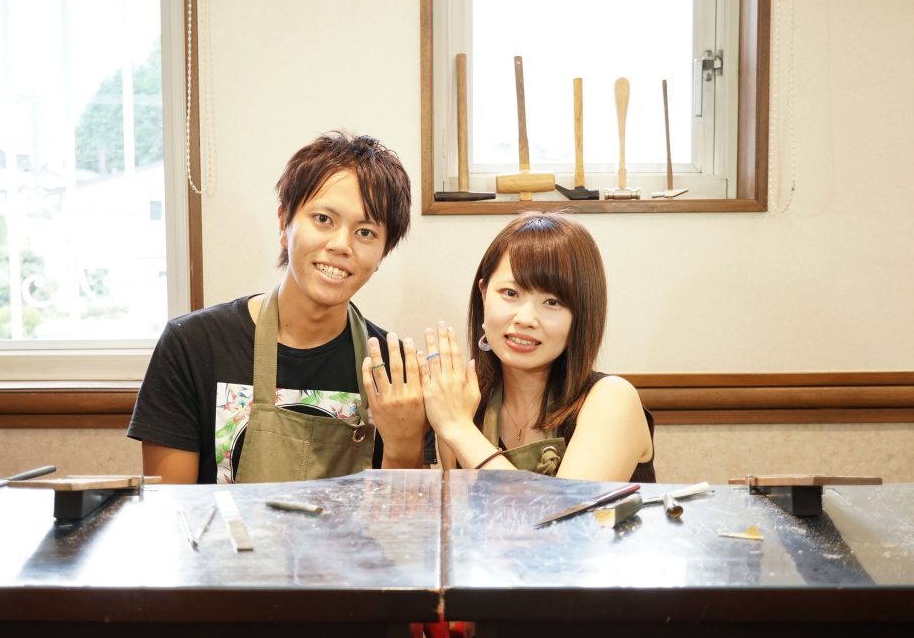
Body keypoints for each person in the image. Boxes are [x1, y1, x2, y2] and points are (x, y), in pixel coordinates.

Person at [128, 131, 426, 484]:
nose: (341, 245)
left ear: (382, 254)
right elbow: (172, 508)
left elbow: (406, 515)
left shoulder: (397, 371)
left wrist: (404, 446)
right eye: (323, 219)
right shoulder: (192, 345)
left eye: (365, 232)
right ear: (284, 223)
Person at [419, 212, 655, 482]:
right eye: (510, 293)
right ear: (483, 294)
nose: (525, 319)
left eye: (552, 302)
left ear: (583, 314)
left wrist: (459, 429)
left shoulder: (613, 399)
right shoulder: (464, 403)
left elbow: (565, 507)